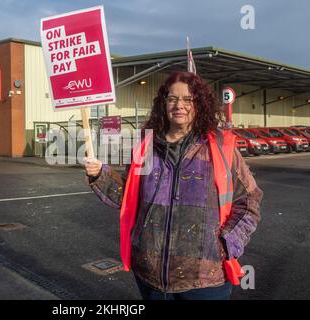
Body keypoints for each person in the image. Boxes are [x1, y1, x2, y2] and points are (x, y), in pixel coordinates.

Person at [84, 71, 263, 300]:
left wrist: (227, 243)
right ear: (164, 103)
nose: (179, 105)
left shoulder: (220, 147)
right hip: (150, 275)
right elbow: (128, 196)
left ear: (199, 103)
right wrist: (100, 174)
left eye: (188, 99)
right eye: (172, 98)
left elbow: (249, 201)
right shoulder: (145, 146)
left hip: (205, 279)